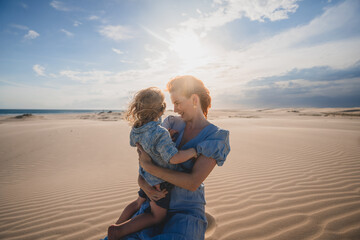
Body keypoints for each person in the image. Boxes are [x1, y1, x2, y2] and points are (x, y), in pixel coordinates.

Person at [120, 75, 231, 239]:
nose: (175, 109)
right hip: (154, 204)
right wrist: (143, 184)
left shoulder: (216, 137)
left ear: (194, 99)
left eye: (177, 103)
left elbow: (192, 183)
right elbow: (145, 158)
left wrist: (151, 168)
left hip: (186, 211)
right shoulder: (170, 123)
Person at [106, 87, 198, 240]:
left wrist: (164, 137)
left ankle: (118, 224)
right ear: (162, 108)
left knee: (137, 203)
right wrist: (192, 152)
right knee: (157, 216)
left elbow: (140, 144)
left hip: (145, 176)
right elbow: (173, 158)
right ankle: (119, 231)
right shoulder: (159, 132)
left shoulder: (136, 129)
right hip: (159, 181)